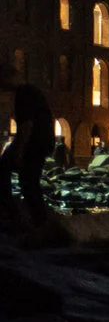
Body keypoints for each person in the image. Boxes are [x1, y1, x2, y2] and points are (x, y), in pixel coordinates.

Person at [0, 83, 54, 228]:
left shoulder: (23, 94)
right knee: (29, 182)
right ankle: (37, 221)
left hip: (33, 144)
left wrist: (19, 151)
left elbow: (26, 126)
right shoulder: (31, 92)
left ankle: (19, 217)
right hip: (41, 142)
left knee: (27, 182)